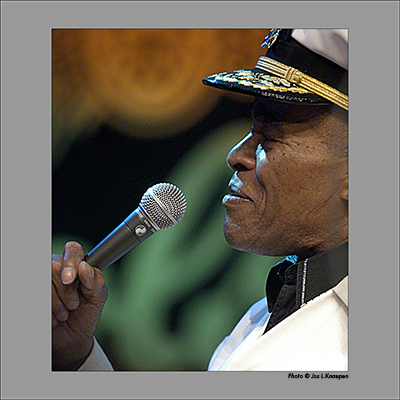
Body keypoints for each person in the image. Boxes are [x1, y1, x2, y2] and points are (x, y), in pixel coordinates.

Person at [52, 28, 349, 371]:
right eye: (250, 129)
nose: (237, 155)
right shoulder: (263, 316)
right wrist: (76, 353)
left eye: (271, 135)